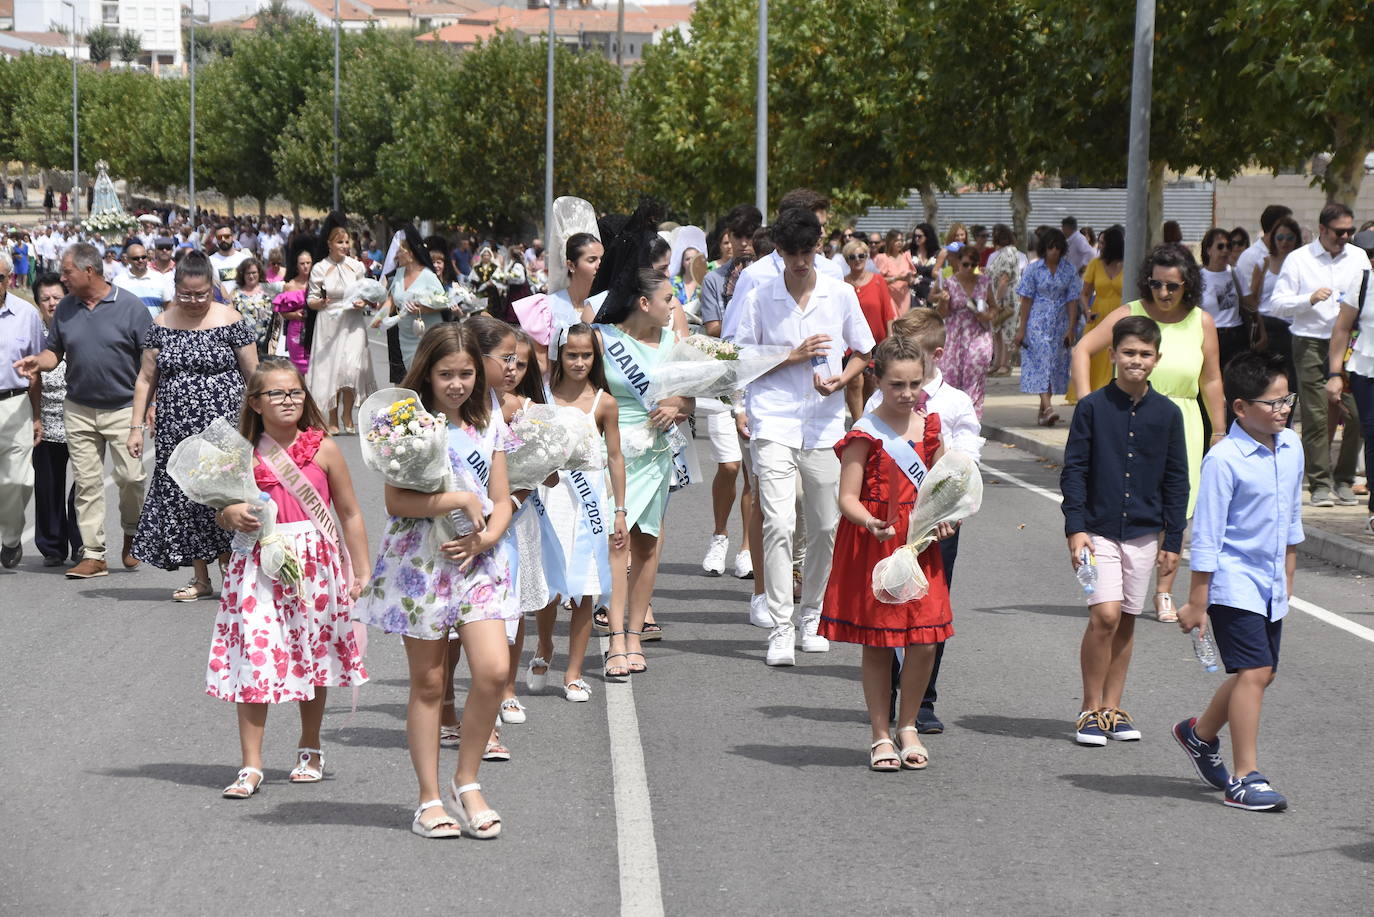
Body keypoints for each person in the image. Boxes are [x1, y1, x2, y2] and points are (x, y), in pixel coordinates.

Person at [354, 323, 516, 839]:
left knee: (492, 671)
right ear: (427, 372)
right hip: (421, 562)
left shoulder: (488, 416)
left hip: (477, 559)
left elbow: (504, 496)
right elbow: (396, 502)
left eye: (466, 373)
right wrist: (459, 500)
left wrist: (488, 536)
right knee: (429, 683)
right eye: (446, 374)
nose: (457, 384)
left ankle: (466, 782)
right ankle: (428, 800)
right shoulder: (404, 422)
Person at [209, 358, 370, 799]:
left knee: (311, 655)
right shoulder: (240, 452)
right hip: (258, 566)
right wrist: (230, 514)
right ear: (255, 402)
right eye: (276, 393)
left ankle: (310, 747)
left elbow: (350, 512)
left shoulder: (324, 448)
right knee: (255, 659)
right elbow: (222, 512)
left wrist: (361, 570)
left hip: (315, 566)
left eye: (295, 391)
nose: (288, 400)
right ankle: (251, 765)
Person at [733, 207, 875, 666]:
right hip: (772, 419)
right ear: (778, 250)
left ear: (819, 246)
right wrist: (792, 356)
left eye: (807, 251)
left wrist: (842, 378)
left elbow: (866, 351)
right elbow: (740, 359)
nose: (799, 261)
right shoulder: (759, 295)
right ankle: (780, 625)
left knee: (827, 524)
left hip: (824, 422)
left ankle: (812, 613)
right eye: (790, 252)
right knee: (777, 522)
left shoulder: (839, 294)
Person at [1173, 350, 1301, 812]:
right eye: (1273, 403)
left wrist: (1288, 572)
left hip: (1270, 584)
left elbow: (1291, 516)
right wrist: (1197, 600)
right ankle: (1244, 777)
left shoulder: (1291, 446)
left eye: (1288, 399)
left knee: (1261, 672)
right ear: (1241, 408)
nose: (1284, 409)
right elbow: (1207, 534)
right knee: (1254, 671)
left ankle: (1198, 734)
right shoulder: (1224, 459)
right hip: (1233, 582)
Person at [820, 335, 955, 770]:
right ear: (878, 379)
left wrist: (949, 515)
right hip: (877, 542)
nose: (907, 393)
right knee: (880, 643)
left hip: (920, 544)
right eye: (898, 384)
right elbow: (848, 496)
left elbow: (947, 484)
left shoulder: (930, 428)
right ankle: (880, 734)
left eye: (915, 383)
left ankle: (909, 725)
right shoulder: (865, 433)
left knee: (926, 640)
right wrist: (868, 522)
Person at [1071, 243, 1224, 620]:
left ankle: (1164, 590)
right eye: (1157, 284)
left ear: (1188, 284)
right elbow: (1082, 349)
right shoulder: (1130, 314)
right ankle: (1120, 586)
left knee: (1176, 503)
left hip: (1181, 419)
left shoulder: (1201, 321)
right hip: (1125, 414)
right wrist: (1090, 405)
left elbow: (1212, 379)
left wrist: (1219, 431)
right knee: (1134, 496)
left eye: (1173, 286)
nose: (1165, 293)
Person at [1061, 316, 1188, 745]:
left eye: (1145, 354)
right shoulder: (1092, 407)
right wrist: (1074, 528)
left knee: (1129, 619)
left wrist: (1173, 541)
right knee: (1105, 615)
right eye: (1129, 352)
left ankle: (1113, 708)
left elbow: (1177, 479)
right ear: (1112, 354)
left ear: (1157, 359)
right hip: (1097, 530)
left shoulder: (1168, 414)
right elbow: (1075, 471)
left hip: (1146, 532)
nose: (1137, 361)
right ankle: (1089, 708)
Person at [862, 308, 981, 733]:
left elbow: (964, 458)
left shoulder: (954, 403)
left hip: (935, 526)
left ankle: (924, 700)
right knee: (889, 606)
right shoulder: (881, 398)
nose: (907, 389)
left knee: (929, 615)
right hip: (890, 525)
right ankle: (889, 698)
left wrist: (952, 502)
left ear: (935, 353)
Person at [12, 243, 152, 579]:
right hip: (78, 409)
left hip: (122, 410)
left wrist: (149, 408)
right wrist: (38, 364)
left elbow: (150, 365)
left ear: (89, 271)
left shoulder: (131, 308)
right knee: (87, 485)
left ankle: (131, 531)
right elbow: (54, 353)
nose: (62, 278)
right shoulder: (66, 309)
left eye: (67, 271)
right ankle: (94, 554)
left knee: (131, 478)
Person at [128, 251, 259, 601]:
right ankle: (201, 578)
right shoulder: (161, 324)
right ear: (175, 288)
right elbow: (145, 379)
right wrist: (136, 427)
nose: (194, 301)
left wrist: (260, 423)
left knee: (225, 497)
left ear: (211, 288)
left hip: (225, 426)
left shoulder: (230, 319)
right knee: (187, 500)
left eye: (201, 294)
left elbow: (253, 376)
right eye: (186, 294)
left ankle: (235, 577)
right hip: (176, 428)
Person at [529, 322, 629, 701]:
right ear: (560, 355)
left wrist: (619, 511)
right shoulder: (541, 398)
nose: (579, 361)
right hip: (549, 500)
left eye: (586, 355)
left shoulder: (605, 402)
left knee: (585, 590)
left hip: (588, 507)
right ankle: (544, 647)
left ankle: (573, 672)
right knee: (548, 589)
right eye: (572, 354)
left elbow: (615, 458)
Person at [1267, 202, 1370, 507]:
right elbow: (1278, 304)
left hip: (1351, 343)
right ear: (1323, 230)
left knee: (1357, 413)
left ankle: (1344, 479)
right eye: (1339, 231)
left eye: (1350, 230)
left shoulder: (1359, 257)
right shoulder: (1299, 259)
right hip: (1310, 342)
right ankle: (1320, 482)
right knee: (1316, 414)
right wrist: (1308, 299)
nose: (1346, 236)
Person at [698, 204, 761, 581]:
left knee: (754, 471)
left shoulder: (770, 277)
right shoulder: (713, 280)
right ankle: (719, 535)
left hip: (757, 386)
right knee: (729, 465)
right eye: (737, 237)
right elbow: (715, 329)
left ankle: (747, 547)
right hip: (722, 384)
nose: (743, 244)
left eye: (749, 237)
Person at [722, 188, 845, 339]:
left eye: (823, 225)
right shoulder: (755, 276)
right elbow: (732, 340)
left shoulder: (832, 271)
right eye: (816, 226)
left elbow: (846, 337)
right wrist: (787, 357)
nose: (823, 234)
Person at [305, 214, 376, 435]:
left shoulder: (356, 267)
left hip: (353, 321)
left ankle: (348, 413)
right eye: (340, 242)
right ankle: (333, 417)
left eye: (347, 242)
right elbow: (311, 300)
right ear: (329, 244)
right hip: (329, 322)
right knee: (333, 371)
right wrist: (321, 302)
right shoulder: (319, 268)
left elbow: (366, 295)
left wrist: (362, 302)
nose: (344, 246)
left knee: (352, 368)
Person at [29, 274, 82, 566]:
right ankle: (52, 546)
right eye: (45, 299)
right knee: (48, 486)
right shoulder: (33, 333)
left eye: (56, 298)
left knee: (84, 485)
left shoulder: (77, 326)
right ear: (38, 303)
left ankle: (82, 542)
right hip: (44, 418)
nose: (51, 303)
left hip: (79, 415)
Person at [0, 253, 44, 568]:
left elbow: (37, 369)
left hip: (15, 403)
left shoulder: (26, 313)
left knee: (18, 481)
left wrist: (37, 414)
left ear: (9, 278)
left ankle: (11, 537)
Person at [1326, 244, 1374, 531]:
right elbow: (1342, 328)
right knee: (1372, 431)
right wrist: (1333, 374)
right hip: (1367, 368)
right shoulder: (1364, 280)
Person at [1014, 228, 1083, 426]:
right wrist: (1021, 329)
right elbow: (1025, 300)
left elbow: (1072, 301)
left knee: (1054, 366)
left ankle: (1043, 410)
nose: (1054, 251)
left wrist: (1071, 328)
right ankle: (1049, 407)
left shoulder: (1068, 270)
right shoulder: (1033, 270)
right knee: (1040, 363)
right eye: (1050, 247)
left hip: (1059, 324)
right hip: (1036, 323)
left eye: (1058, 248)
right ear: (1044, 248)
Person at [1242, 214, 1302, 392]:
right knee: (1267, 379)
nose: (1284, 242)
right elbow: (1255, 300)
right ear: (1273, 238)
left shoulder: (1301, 263)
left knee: (1290, 379)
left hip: (1291, 327)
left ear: (1296, 239)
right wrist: (1260, 332)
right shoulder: (1264, 263)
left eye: (1290, 238)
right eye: (1280, 237)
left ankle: (1287, 417)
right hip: (1267, 325)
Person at [933, 244, 994, 415]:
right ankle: (954, 416)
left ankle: (972, 417)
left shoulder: (984, 282)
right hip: (955, 336)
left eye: (973, 265)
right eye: (965, 264)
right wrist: (944, 301)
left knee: (975, 372)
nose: (969, 269)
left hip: (979, 333)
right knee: (951, 377)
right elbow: (942, 313)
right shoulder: (950, 282)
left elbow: (995, 307)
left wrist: (988, 315)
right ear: (958, 262)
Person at [841, 238, 897, 421]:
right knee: (855, 381)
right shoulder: (841, 285)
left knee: (870, 384)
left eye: (861, 256)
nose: (857, 260)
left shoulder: (879, 281)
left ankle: (867, 419)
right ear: (846, 260)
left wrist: (890, 337)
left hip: (875, 342)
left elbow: (888, 311)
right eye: (852, 256)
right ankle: (857, 424)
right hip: (850, 343)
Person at [375, 226, 445, 371]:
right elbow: (391, 300)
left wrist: (423, 309)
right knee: (411, 374)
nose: (396, 256)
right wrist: (380, 318)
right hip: (405, 337)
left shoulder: (428, 275)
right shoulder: (399, 274)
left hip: (426, 335)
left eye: (399, 251)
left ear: (410, 253)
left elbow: (444, 302)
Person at [1076, 225, 1126, 395]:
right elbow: (1084, 293)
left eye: (1103, 243)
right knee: (1095, 357)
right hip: (1098, 317)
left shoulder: (1129, 264)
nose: (1099, 246)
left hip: (1122, 316)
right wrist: (1087, 311)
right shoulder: (1095, 264)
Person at [1199, 227, 1250, 387]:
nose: (1225, 251)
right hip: (1209, 335)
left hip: (1236, 335)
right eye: (1220, 247)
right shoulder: (1198, 277)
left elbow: (1251, 304)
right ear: (1209, 250)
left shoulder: (1235, 273)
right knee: (1209, 382)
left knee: (1236, 385)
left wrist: (1260, 276)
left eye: (1229, 246)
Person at [985, 224, 1025, 376]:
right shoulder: (1004, 253)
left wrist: (996, 301)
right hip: (1000, 298)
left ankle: (1005, 364)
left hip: (1006, 299)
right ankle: (997, 363)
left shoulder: (1008, 252)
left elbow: (1004, 278)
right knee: (997, 330)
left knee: (1006, 332)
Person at [273, 242, 313, 376]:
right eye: (302, 263)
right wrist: (295, 315)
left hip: (314, 328)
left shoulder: (317, 283)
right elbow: (283, 313)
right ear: (296, 266)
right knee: (298, 368)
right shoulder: (290, 286)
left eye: (308, 263)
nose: (306, 266)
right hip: (296, 330)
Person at [230, 257, 278, 357]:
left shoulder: (269, 290)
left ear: (259, 273)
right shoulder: (235, 293)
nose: (251, 276)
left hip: (265, 345)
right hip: (242, 347)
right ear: (242, 274)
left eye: (254, 272)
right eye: (248, 273)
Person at [114, 241, 174, 318]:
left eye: (143, 257)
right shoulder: (119, 281)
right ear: (128, 260)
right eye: (136, 258)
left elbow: (167, 304)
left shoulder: (159, 278)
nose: (140, 260)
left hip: (155, 327)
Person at [874, 229, 915, 317]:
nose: (899, 243)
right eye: (896, 240)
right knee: (893, 320)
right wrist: (896, 278)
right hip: (890, 296)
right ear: (890, 242)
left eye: (901, 240)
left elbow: (912, 279)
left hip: (904, 297)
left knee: (904, 322)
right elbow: (878, 281)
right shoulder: (883, 258)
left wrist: (910, 279)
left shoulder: (906, 256)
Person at [208, 224, 250, 300]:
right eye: (219, 237)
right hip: (220, 306)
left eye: (226, 236)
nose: (223, 239)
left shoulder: (245, 260)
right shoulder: (210, 261)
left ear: (233, 237)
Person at [910, 222, 939, 309]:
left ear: (928, 237)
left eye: (919, 236)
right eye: (915, 236)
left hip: (932, 295)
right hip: (914, 296)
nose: (916, 238)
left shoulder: (937, 254)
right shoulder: (910, 253)